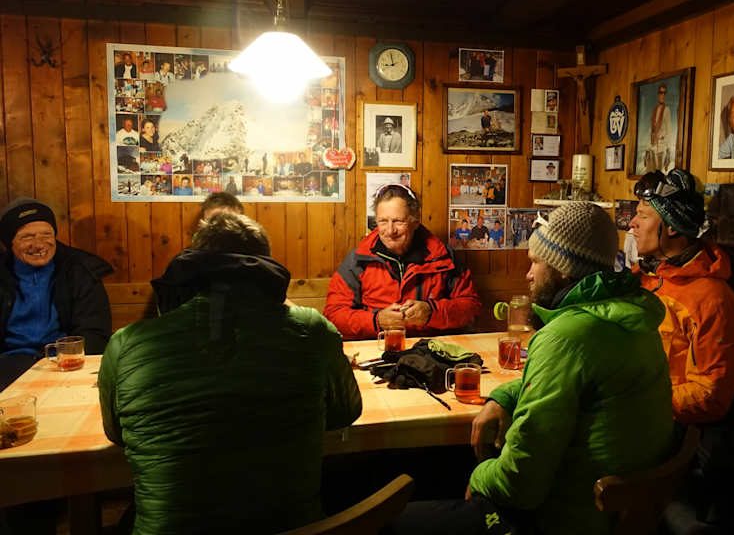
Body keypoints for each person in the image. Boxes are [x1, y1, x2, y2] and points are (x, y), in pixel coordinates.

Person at [386, 202, 674, 535]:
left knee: (394, 521)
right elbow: (568, 383)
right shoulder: (629, 316)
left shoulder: (566, 337)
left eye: (535, 262)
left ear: (563, 268)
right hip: (616, 509)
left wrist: (478, 477)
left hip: (560, 518)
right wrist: (504, 396)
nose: (528, 274)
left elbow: (519, 485)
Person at [98, 213, 361, 535]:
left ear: (192, 264)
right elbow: (345, 412)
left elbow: (117, 434)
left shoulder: (125, 343)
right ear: (265, 267)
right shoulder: (312, 329)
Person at [629, 169, 734, 424]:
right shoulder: (643, 276)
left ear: (671, 227)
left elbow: (710, 394)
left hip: (665, 428)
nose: (632, 223)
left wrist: (635, 405)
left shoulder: (712, 299)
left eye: (643, 216)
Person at [324, 184, 480, 339]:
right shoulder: (358, 260)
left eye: (398, 221)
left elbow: (471, 307)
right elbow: (333, 315)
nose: (390, 231)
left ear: (415, 221)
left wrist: (432, 313)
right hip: (377, 348)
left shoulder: (444, 257)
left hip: (430, 350)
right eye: (383, 221)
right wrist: (376, 321)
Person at [0, 198, 113, 390]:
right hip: (9, 362)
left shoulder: (79, 271)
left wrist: (69, 359)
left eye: (47, 234)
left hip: (65, 361)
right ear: (9, 243)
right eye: (27, 237)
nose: (39, 244)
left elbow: (95, 331)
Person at [646, 84, 672, 172]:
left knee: (659, 174)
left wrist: (668, 149)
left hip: (661, 147)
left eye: (664, 93)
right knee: (650, 173)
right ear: (658, 94)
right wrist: (647, 148)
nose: (663, 95)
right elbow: (651, 130)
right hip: (653, 146)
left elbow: (669, 130)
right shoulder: (655, 110)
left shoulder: (667, 110)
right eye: (661, 93)